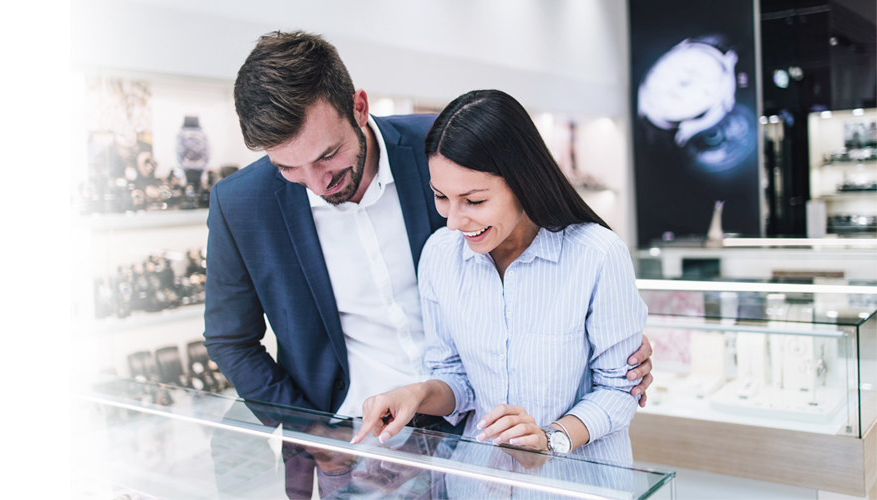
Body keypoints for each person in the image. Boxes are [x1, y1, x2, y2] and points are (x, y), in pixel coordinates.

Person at [201, 31, 654, 497]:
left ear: (358, 107)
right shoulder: (242, 204)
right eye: (288, 169)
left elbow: (548, 267)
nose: (315, 183)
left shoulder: (442, 146)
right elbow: (230, 339)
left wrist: (611, 341)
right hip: (356, 446)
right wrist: (313, 433)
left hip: (475, 442)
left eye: (328, 155)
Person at [351, 89, 645, 468]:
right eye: (441, 197)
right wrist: (417, 394)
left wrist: (549, 440)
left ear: (523, 180)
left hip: (574, 483)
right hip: (478, 482)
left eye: (473, 201)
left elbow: (620, 390)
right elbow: (457, 378)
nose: (454, 221)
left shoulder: (597, 255)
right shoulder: (441, 255)